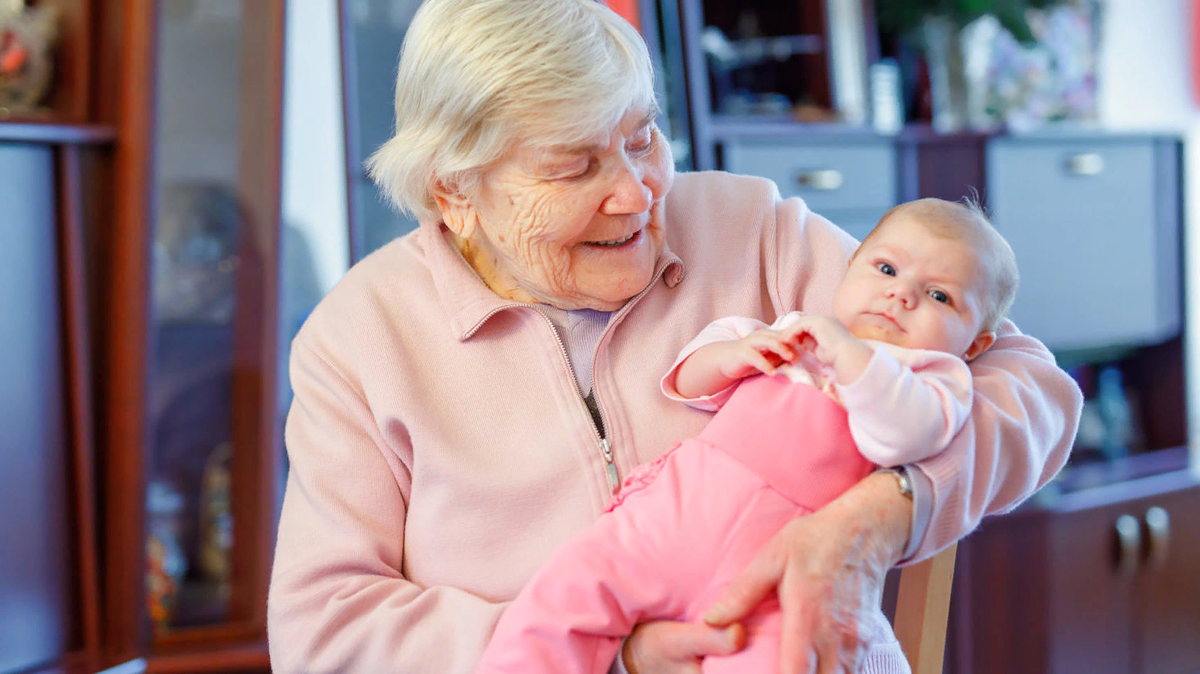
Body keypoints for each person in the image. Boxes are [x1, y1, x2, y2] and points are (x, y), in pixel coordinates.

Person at [265, 1, 1082, 672]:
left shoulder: (751, 229)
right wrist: (604, 652)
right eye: (573, 167)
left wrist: (882, 515)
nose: (637, 193)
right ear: (454, 191)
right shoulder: (361, 339)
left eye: (641, 136)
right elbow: (326, 630)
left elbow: (1029, 388)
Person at [476, 198, 1017, 673]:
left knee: (783, 657)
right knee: (563, 598)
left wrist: (851, 355)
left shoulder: (934, 375)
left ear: (975, 343)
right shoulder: (792, 329)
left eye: (940, 297)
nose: (901, 296)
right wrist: (734, 355)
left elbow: (902, 437)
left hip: (775, 569)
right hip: (673, 514)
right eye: (885, 269)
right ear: (849, 270)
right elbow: (685, 382)